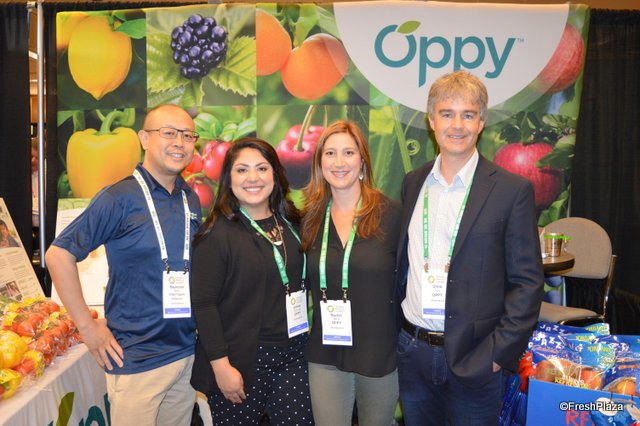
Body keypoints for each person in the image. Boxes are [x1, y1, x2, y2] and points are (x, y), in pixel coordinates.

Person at [395, 70, 544, 425]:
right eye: (447, 114)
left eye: (468, 114)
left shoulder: (511, 191)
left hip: (477, 359)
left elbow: (527, 283)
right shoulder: (414, 183)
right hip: (413, 352)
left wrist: (498, 354)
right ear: (432, 121)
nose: (457, 125)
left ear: (481, 122)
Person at [45, 104, 201, 426]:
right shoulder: (118, 197)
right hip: (137, 358)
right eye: (169, 133)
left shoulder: (190, 198)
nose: (179, 142)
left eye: (188, 135)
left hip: (185, 353)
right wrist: (87, 328)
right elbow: (58, 255)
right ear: (144, 138)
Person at [190, 138, 313, 425]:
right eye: (242, 170)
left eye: (262, 168)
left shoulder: (293, 223)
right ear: (229, 179)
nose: (253, 178)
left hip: (294, 356)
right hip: (242, 360)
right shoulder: (216, 233)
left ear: (275, 175)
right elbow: (204, 305)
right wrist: (221, 367)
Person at [301, 120, 401, 425]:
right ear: (320, 164)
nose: (339, 162)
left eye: (348, 152)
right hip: (326, 353)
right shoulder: (309, 219)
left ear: (362, 162)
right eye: (330, 153)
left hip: (379, 355)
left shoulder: (392, 215)